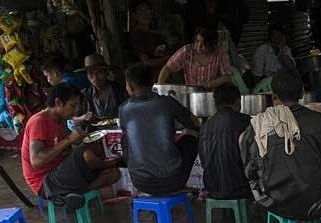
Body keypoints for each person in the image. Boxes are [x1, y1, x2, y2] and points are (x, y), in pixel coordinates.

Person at [239, 71, 321, 220]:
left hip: (273, 204)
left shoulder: (257, 126)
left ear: (273, 96)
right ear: (301, 94)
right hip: (316, 204)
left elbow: (250, 171)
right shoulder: (319, 121)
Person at [21, 83, 120, 208]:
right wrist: (69, 140)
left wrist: (78, 143)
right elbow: (36, 161)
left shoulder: (59, 121)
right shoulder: (38, 121)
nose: (76, 110)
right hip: (44, 182)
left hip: (60, 173)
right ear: (58, 102)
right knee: (86, 155)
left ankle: (72, 196)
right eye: (73, 105)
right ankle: (64, 195)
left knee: (113, 174)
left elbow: (62, 153)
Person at [120, 63, 199, 196]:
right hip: (173, 180)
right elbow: (194, 122)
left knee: (125, 139)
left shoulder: (123, 109)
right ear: (152, 83)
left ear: (130, 86)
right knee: (191, 136)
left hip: (140, 181)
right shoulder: (167, 102)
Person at [198, 84, 251, 200]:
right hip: (241, 188)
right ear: (238, 102)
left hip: (212, 189)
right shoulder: (246, 122)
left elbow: (203, 161)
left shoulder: (205, 127)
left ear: (215, 104)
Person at [157, 27, 231, 90]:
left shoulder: (220, 53)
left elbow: (227, 76)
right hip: (191, 94)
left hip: (213, 95)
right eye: (197, 41)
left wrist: (211, 84)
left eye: (204, 44)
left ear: (212, 44)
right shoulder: (187, 51)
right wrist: (159, 86)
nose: (199, 47)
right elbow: (168, 67)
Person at [128, 0, 171, 69]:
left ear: (151, 12)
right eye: (140, 11)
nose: (145, 13)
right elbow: (146, 62)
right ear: (134, 16)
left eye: (147, 9)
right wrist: (167, 58)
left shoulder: (157, 32)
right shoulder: (136, 35)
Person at [81, 54, 127, 120]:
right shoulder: (84, 95)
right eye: (91, 73)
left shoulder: (120, 90)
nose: (95, 77)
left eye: (99, 72)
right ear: (87, 75)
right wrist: (83, 117)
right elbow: (73, 120)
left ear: (106, 73)